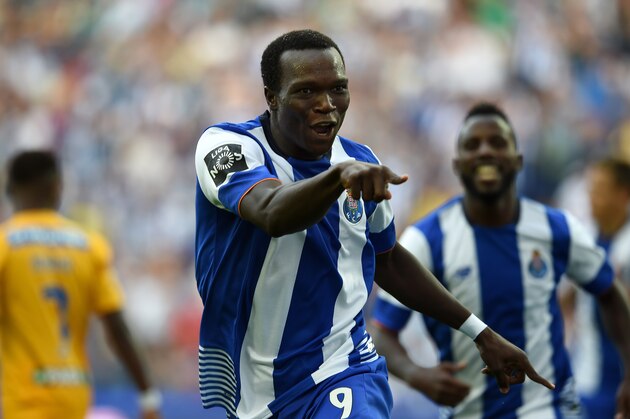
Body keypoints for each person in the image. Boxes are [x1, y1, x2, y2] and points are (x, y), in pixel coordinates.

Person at [193, 29, 554, 419]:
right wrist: (337, 178)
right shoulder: (227, 148)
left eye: (338, 89)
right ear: (271, 97)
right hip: (250, 388)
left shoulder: (358, 162)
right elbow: (271, 213)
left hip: (342, 371)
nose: (327, 105)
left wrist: (480, 333)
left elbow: (389, 259)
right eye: (306, 92)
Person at [369, 103, 630, 419]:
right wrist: (416, 375)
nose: (485, 152)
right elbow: (382, 331)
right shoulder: (425, 240)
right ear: (457, 163)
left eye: (497, 143)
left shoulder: (556, 228)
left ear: (518, 160)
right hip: (467, 412)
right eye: (472, 145)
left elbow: (610, 293)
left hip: (548, 409)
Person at [0, 150, 161, 419]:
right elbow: (117, 329)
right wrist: (148, 395)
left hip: (24, 400)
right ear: (57, 187)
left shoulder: (6, 245)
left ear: (10, 189)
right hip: (74, 398)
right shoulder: (89, 246)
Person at [562, 157, 630, 419]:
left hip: (621, 375)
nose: (593, 198)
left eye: (600, 190)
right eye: (591, 190)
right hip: (588, 373)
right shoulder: (584, 239)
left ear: (623, 194)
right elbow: (567, 296)